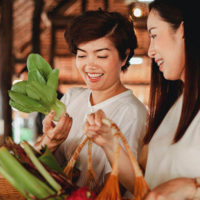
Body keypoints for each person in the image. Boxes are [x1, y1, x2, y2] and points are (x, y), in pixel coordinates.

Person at [83, 0, 200, 199]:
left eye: (154, 35)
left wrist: (192, 188)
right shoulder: (171, 108)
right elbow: (146, 189)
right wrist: (110, 144)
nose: (150, 50)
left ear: (183, 30)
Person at [34, 10, 147, 190]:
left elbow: (120, 186)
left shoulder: (132, 112)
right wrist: (50, 142)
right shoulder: (72, 97)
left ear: (124, 56)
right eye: (82, 55)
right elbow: (41, 166)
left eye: (101, 56)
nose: (90, 65)